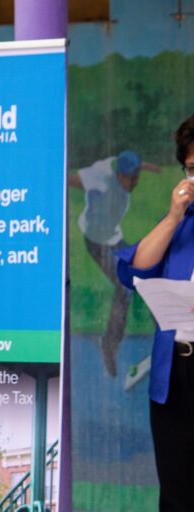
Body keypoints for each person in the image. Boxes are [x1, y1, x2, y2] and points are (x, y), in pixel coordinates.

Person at [116, 115, 194, 512]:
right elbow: (135, 270)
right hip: (177, 372)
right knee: (178, 490)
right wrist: (173, 216)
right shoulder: (181, 223)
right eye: (193, 168)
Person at [68, 150, 162, 376]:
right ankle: (109, 344)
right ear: (119, 174)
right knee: (124, 286)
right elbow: (69, 180)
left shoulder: (125, 166)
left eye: (136, 177)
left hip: (114, 238)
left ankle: (162, 334)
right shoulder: (100, 175)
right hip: (96, 241)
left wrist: (151, 167)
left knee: (144, 276)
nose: (133, 182)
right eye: (130, 178)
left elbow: (137, 162)